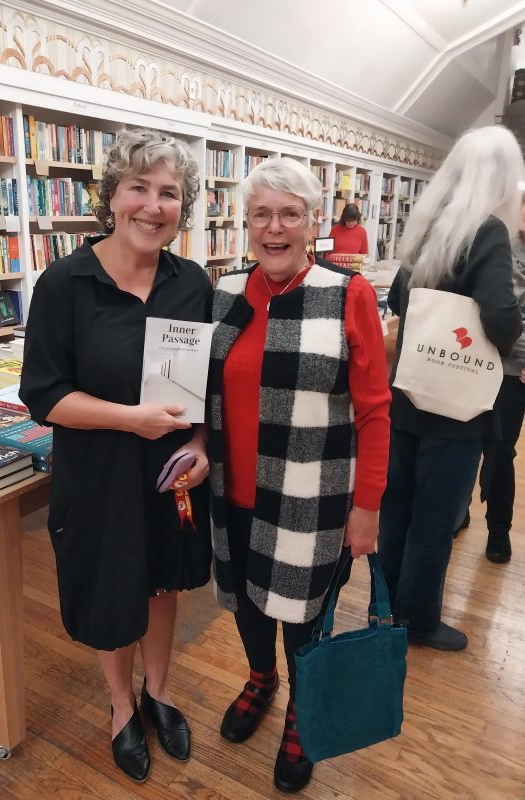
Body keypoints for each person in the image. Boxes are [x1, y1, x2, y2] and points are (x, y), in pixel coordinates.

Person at [19, 129, 213, 784]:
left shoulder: (192, 283)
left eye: (170, 194)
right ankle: (121, 705)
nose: (153, 206)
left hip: (168, 477)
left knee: (160, 585)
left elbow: (200, 393)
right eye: (140, 188)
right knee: (110, 590)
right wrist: (130, 420)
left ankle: (158, 693)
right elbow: (44, 395)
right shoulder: (64, 284)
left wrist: (199, 445)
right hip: (98, 477)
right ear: (111, 196)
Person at [208, 158, 391, 793]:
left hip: (312, 499)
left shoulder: (349, 294)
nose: (275, 227)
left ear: (314, 223)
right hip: (231, 490)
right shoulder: (226, 294)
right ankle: (261, 678)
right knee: (245, 602)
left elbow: (374, 411)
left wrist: (367, 508)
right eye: (262, 214)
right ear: (247, 224)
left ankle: (301, 708)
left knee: (304, 615)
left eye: (290, 214)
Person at [378, 125, 524, 652]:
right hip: (458, 406)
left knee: (398, 507)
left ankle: (387, 606)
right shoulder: (488, 232)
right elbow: (503, 320)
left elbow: (398, 301)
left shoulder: (428, 226)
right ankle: (417, 621)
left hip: (410, 391)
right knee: (436, 517)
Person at [478, 199, 525, 563]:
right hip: (476, 360)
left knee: (501, 450)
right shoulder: (498, 241)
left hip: (516, 372)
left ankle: (498, 530)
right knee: (461, 440)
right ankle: (458, 511)